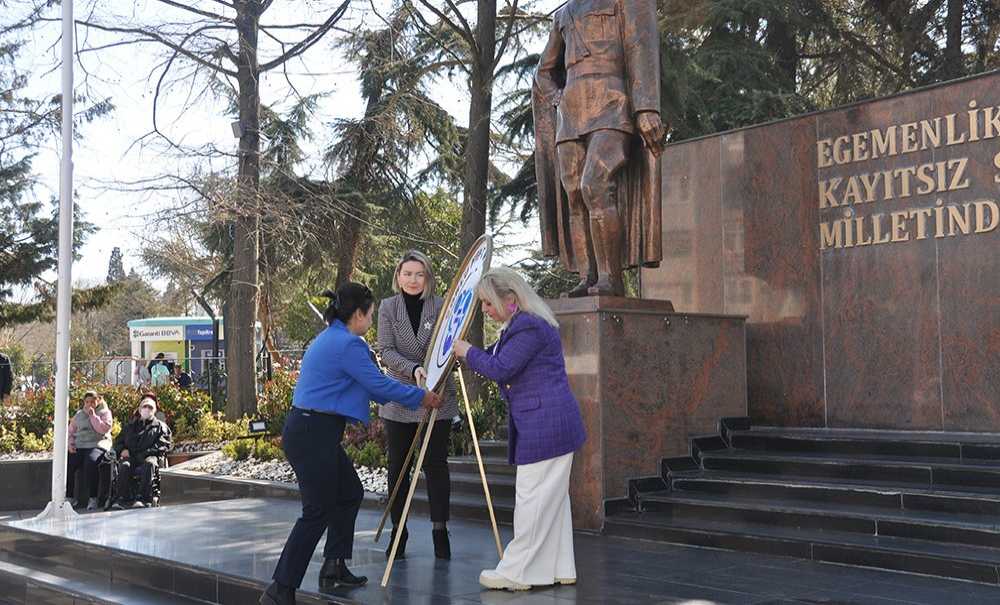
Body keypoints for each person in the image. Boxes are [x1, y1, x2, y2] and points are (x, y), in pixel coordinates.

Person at [261, 282, 443, 605]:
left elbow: (371, 387)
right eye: (370, 315)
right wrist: (422, 397)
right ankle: (280, 589)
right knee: (316, 510)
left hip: (312, 429)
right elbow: (379, 385)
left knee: (349, 493)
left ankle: (334, 565)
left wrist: (414, 396)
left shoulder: (332, 337)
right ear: (358, 314)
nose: (371, 321)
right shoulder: (348, 344)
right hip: (313, 431)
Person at [454, 267, 586, 591]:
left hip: (545, 425)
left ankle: (518, 573)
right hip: (552, 423)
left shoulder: (527, 326)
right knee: (552, 501)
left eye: (488, 303)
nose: (485, 310)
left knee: (532, 499)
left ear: (511, 299)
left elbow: (501, 367)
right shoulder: (523, 324)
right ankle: (560, 567)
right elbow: (496, 357)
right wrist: (470, 355)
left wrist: (467, 351)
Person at [376, 250, 459, 560]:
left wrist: (441, 366)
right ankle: (399, 531)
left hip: (437, 396)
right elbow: (386, 350)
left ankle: (440, 530)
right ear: (398, 277)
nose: (413, 280)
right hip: (400, 395)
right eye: (407, 274)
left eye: (419, 274)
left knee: (436, 465)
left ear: (428, 278)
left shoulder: (441, 306)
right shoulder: (388, 307)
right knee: (398, 467)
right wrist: (413, 369)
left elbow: (449, 344)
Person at [113, 394, 172, 508]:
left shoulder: (161, 427)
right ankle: (122, 498)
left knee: (149, 463)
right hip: (132, 456)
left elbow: (163, 444)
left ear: (154, 410)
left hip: (150, 456)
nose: (147, 409)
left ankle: (143, 498)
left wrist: (146, 453)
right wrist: (122, 449)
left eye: (150, 407)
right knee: (124, 465)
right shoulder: (129, 426)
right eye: (145, 406)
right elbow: (118, 442)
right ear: (140, 409)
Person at [67, 391, 114, 510]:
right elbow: (71, 431)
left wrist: (93, 416)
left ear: (98, 401)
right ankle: (69, 497)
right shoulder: (79, 415)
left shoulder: (105, 413)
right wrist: (70, 444)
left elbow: (102, 429)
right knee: (69, 463)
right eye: (87, 402)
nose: (89, 404)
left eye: (92, 402)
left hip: (97, 443)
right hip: (80, 444)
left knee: (91, 462)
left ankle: (93, 498)